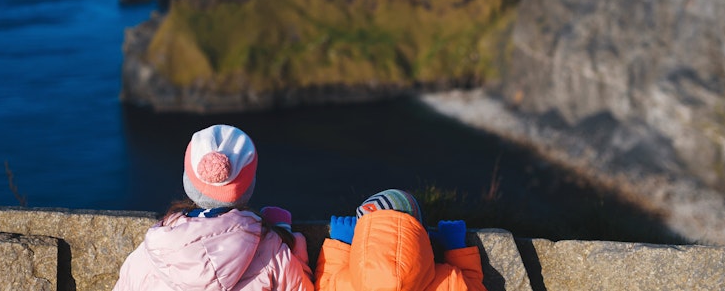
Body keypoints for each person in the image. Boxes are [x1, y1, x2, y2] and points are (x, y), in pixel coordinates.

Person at [113, 124, 314, 291]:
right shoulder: (273, 253)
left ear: (188, 180)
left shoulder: (150, 253)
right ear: (248, 186)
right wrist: (288, 240)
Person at [315, 189, 488, 291]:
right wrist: (455, 247)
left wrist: (341, 244)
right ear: (424, 239)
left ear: (362, 240)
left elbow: (323, 287)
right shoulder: (449, 281)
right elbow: (474, 287)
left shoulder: (344, 284)